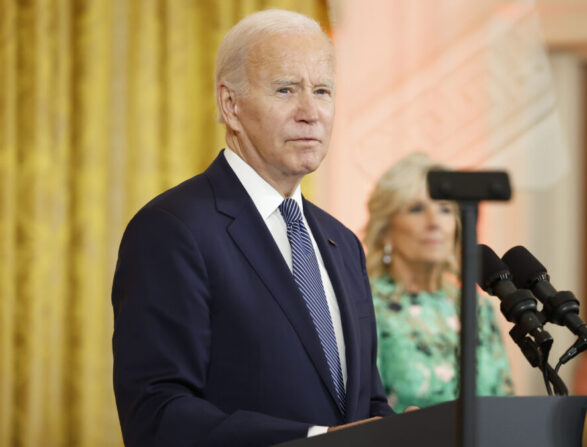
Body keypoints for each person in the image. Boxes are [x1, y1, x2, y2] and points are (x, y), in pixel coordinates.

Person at [111, 10, 394, 447]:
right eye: (286, 90)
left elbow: (365, 404)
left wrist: (399, 430)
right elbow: (156, 414)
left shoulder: (343, 243)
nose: (310, 113)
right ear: (231, 104)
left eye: (322, 91)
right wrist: (318, 440)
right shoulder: (172, 230)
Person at [362, 153, 514, 412]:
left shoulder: (477, 306)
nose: (434, 223)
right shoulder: (365, 307)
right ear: (386, 230)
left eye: (445, 209)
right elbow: (361, 414)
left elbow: (507, 402)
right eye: (417, 209)